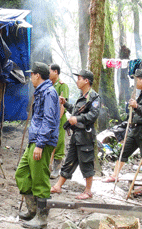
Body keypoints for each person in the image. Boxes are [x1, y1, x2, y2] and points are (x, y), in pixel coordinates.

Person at [15, 62, 60, 229]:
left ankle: (42, 219)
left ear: (37, 75)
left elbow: (48, 120)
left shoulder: (49, 92)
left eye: (31, 74)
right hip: (34, 140)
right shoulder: (41, 91)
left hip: (42, 142)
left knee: (40, 180)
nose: (30, 77)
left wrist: (40, 145)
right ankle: (33, 211)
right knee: (22, 173)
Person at [103, 69, 142, 189]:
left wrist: (137, 106)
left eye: (136, 80)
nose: (135, 83)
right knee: (124, 150)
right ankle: (115, 175)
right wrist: (133, 107)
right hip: (135, 129)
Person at [50, 69, 101, 200]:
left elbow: (93, 115)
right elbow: (75, 110)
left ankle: (88, 191)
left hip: (86, 136)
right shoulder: (82, 96)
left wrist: (77, 119)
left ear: (86, 81)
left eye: (79, 78)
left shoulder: (94, 97)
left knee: (86, 162)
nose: (77, 81)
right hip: (76, 135)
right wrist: (65, 104)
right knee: (69, 161)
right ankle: (58, 186)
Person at [49, 64, 69, 179]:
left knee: (59, 142)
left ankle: (57, 168)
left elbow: (63, 104)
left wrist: (58, 119)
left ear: (55, 72)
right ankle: (48, 165)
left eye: (50, 71)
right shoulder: (49, 85)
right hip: (50, 118)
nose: (48, 73)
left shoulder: (62, 86)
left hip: (59, 119)